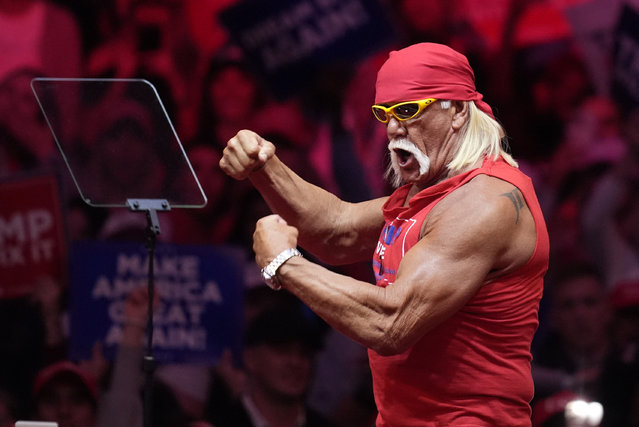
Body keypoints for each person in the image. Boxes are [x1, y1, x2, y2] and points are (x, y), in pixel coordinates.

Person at [220, 42, 550, 425]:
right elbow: (337, 232)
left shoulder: (483, 202)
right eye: (384, 113)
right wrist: (264, 165)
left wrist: (284, 265)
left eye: (408, 110)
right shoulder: (429, 194)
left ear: (457, 111)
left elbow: (392, 323)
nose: (393, 128)